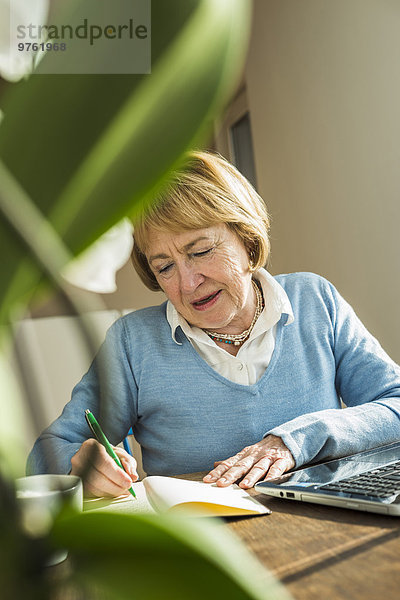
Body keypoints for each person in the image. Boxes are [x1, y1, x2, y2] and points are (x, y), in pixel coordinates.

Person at [27, 151, 400, 498]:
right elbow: (44, 455)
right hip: (203, 548)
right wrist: (79, 464)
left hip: (320, 530)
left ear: (245, 237)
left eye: (201, 251)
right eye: (165, 267)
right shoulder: (132, 342)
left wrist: (296, 440)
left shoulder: (315, 300)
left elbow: (395, 404)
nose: (188, 283)